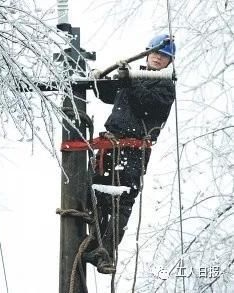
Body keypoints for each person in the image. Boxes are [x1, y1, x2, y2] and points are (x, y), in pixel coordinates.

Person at [84, 34, 177, 274]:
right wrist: (97, 80)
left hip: (133, 152)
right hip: (111, 147)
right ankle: (95, 245)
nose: (158, 57)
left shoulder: (165, 86)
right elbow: (110, 93)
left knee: (120, 199)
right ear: (147, 53)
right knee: (97, 194)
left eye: (164, 55)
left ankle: (106, 253)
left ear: (170, 62)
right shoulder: (133, 78)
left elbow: (146, 104)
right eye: (155, 52)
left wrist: (129, 80)